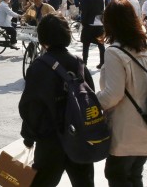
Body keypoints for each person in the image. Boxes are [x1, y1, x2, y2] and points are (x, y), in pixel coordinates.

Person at [96, 0, 147, 186]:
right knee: (134, 175)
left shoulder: (114, 52)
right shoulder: (143, 46)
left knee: (117, 175)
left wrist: (91, 101)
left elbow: (113, 94)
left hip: (126, 128)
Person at [19, 14, 95, 186]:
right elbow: (90, 97)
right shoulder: (78, 64)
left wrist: (29, 136)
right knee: (84, 182)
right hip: (78, 137)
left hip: (50, 139)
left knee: (42, 182)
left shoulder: (39, 66)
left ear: (42, 37)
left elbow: (31, 106)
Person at [80, 0, 106, 69]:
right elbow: (103, 9)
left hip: (88, 24)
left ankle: (84, 63)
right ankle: (102, 62)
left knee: (86, 44)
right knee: (101, 45)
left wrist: (83, 22)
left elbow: (84, 11)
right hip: (99, 24)